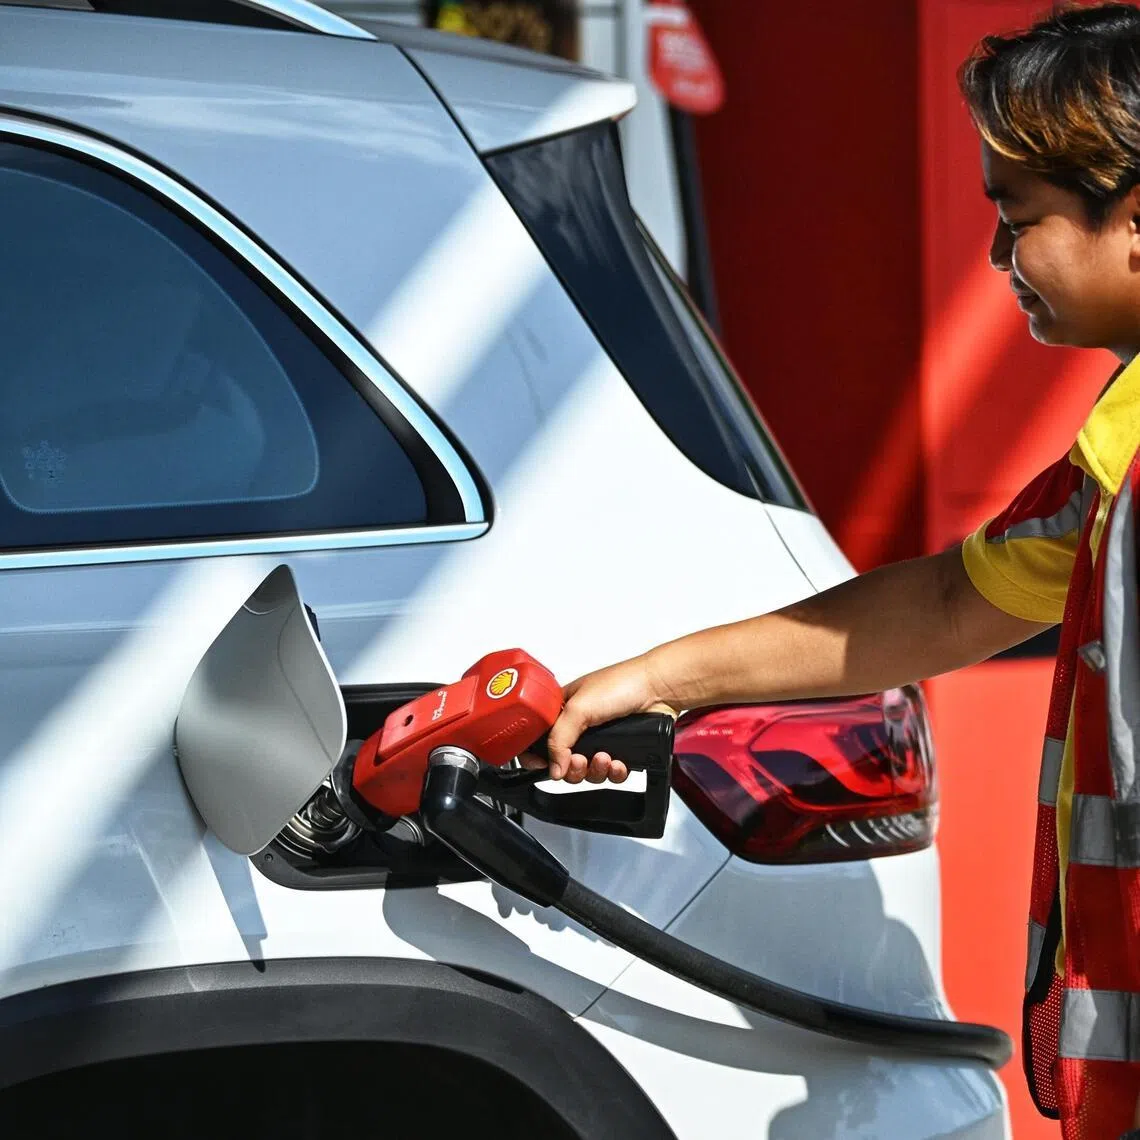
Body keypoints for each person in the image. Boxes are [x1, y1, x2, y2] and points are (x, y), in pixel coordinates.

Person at [525, 5, 1140, 1137]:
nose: (1000, 257)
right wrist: (662, 677)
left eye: (1022, 219)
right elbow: (948, 603)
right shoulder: (1116, 458)